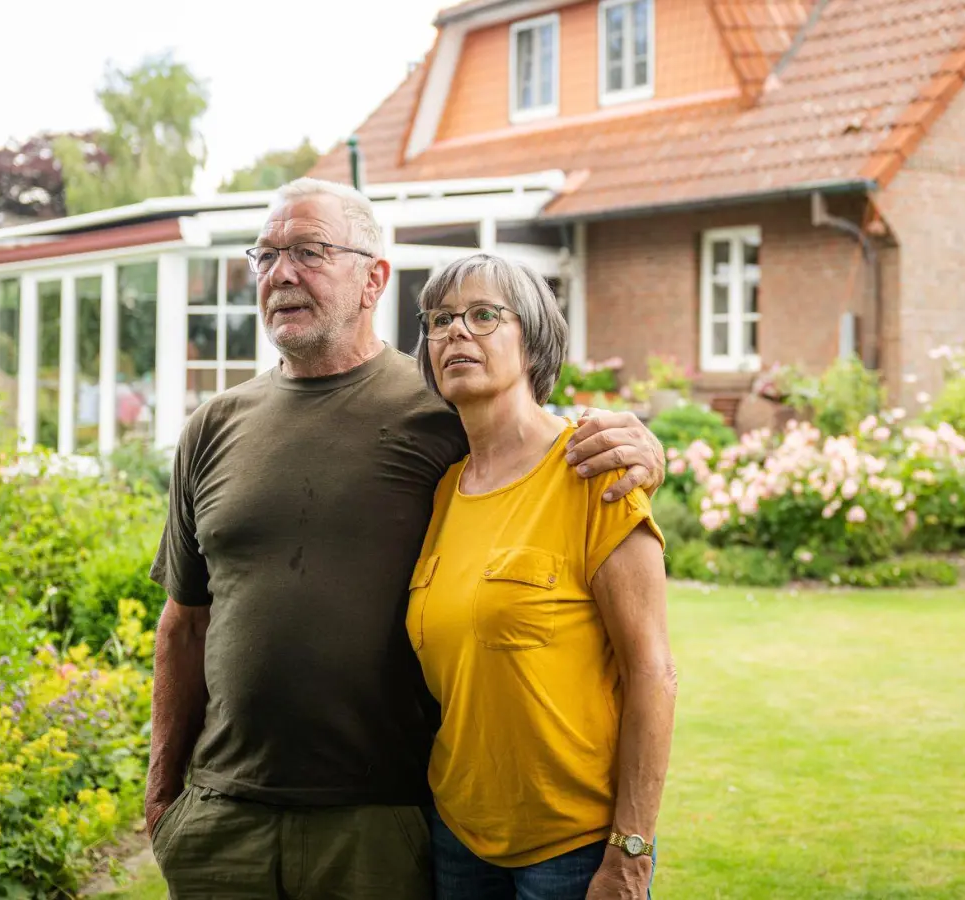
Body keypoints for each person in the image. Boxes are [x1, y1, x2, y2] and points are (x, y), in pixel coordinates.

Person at [145, 179, 665, 899]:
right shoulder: (213, 426)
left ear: (373, 279)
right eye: (265, 256)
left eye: (310, 251)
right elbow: (184, 623)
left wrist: (638, 444)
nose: (281, 274)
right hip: (224, 815)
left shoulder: (440, 413)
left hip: (378, 819)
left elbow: (534, 440)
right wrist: (163, 791)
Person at [410, 254, 677, 900]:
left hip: (573, 851)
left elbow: (653, 672)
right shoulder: (445, 491)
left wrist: (631, 852)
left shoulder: (596, 471)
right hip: (459, 837)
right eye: (441, 320)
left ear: (532, 340)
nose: (456, 333)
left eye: (482, 315)